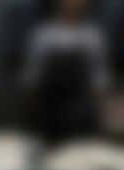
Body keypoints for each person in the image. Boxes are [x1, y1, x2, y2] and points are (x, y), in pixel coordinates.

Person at [22, 0, 112, 144]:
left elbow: (98, 76)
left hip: (80, 104)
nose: (73, 4)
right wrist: (30, 102)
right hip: (48, 104)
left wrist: (100, 108)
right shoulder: (44, 33)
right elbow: (33, 71)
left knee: (79, 145)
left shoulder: (93, 35)